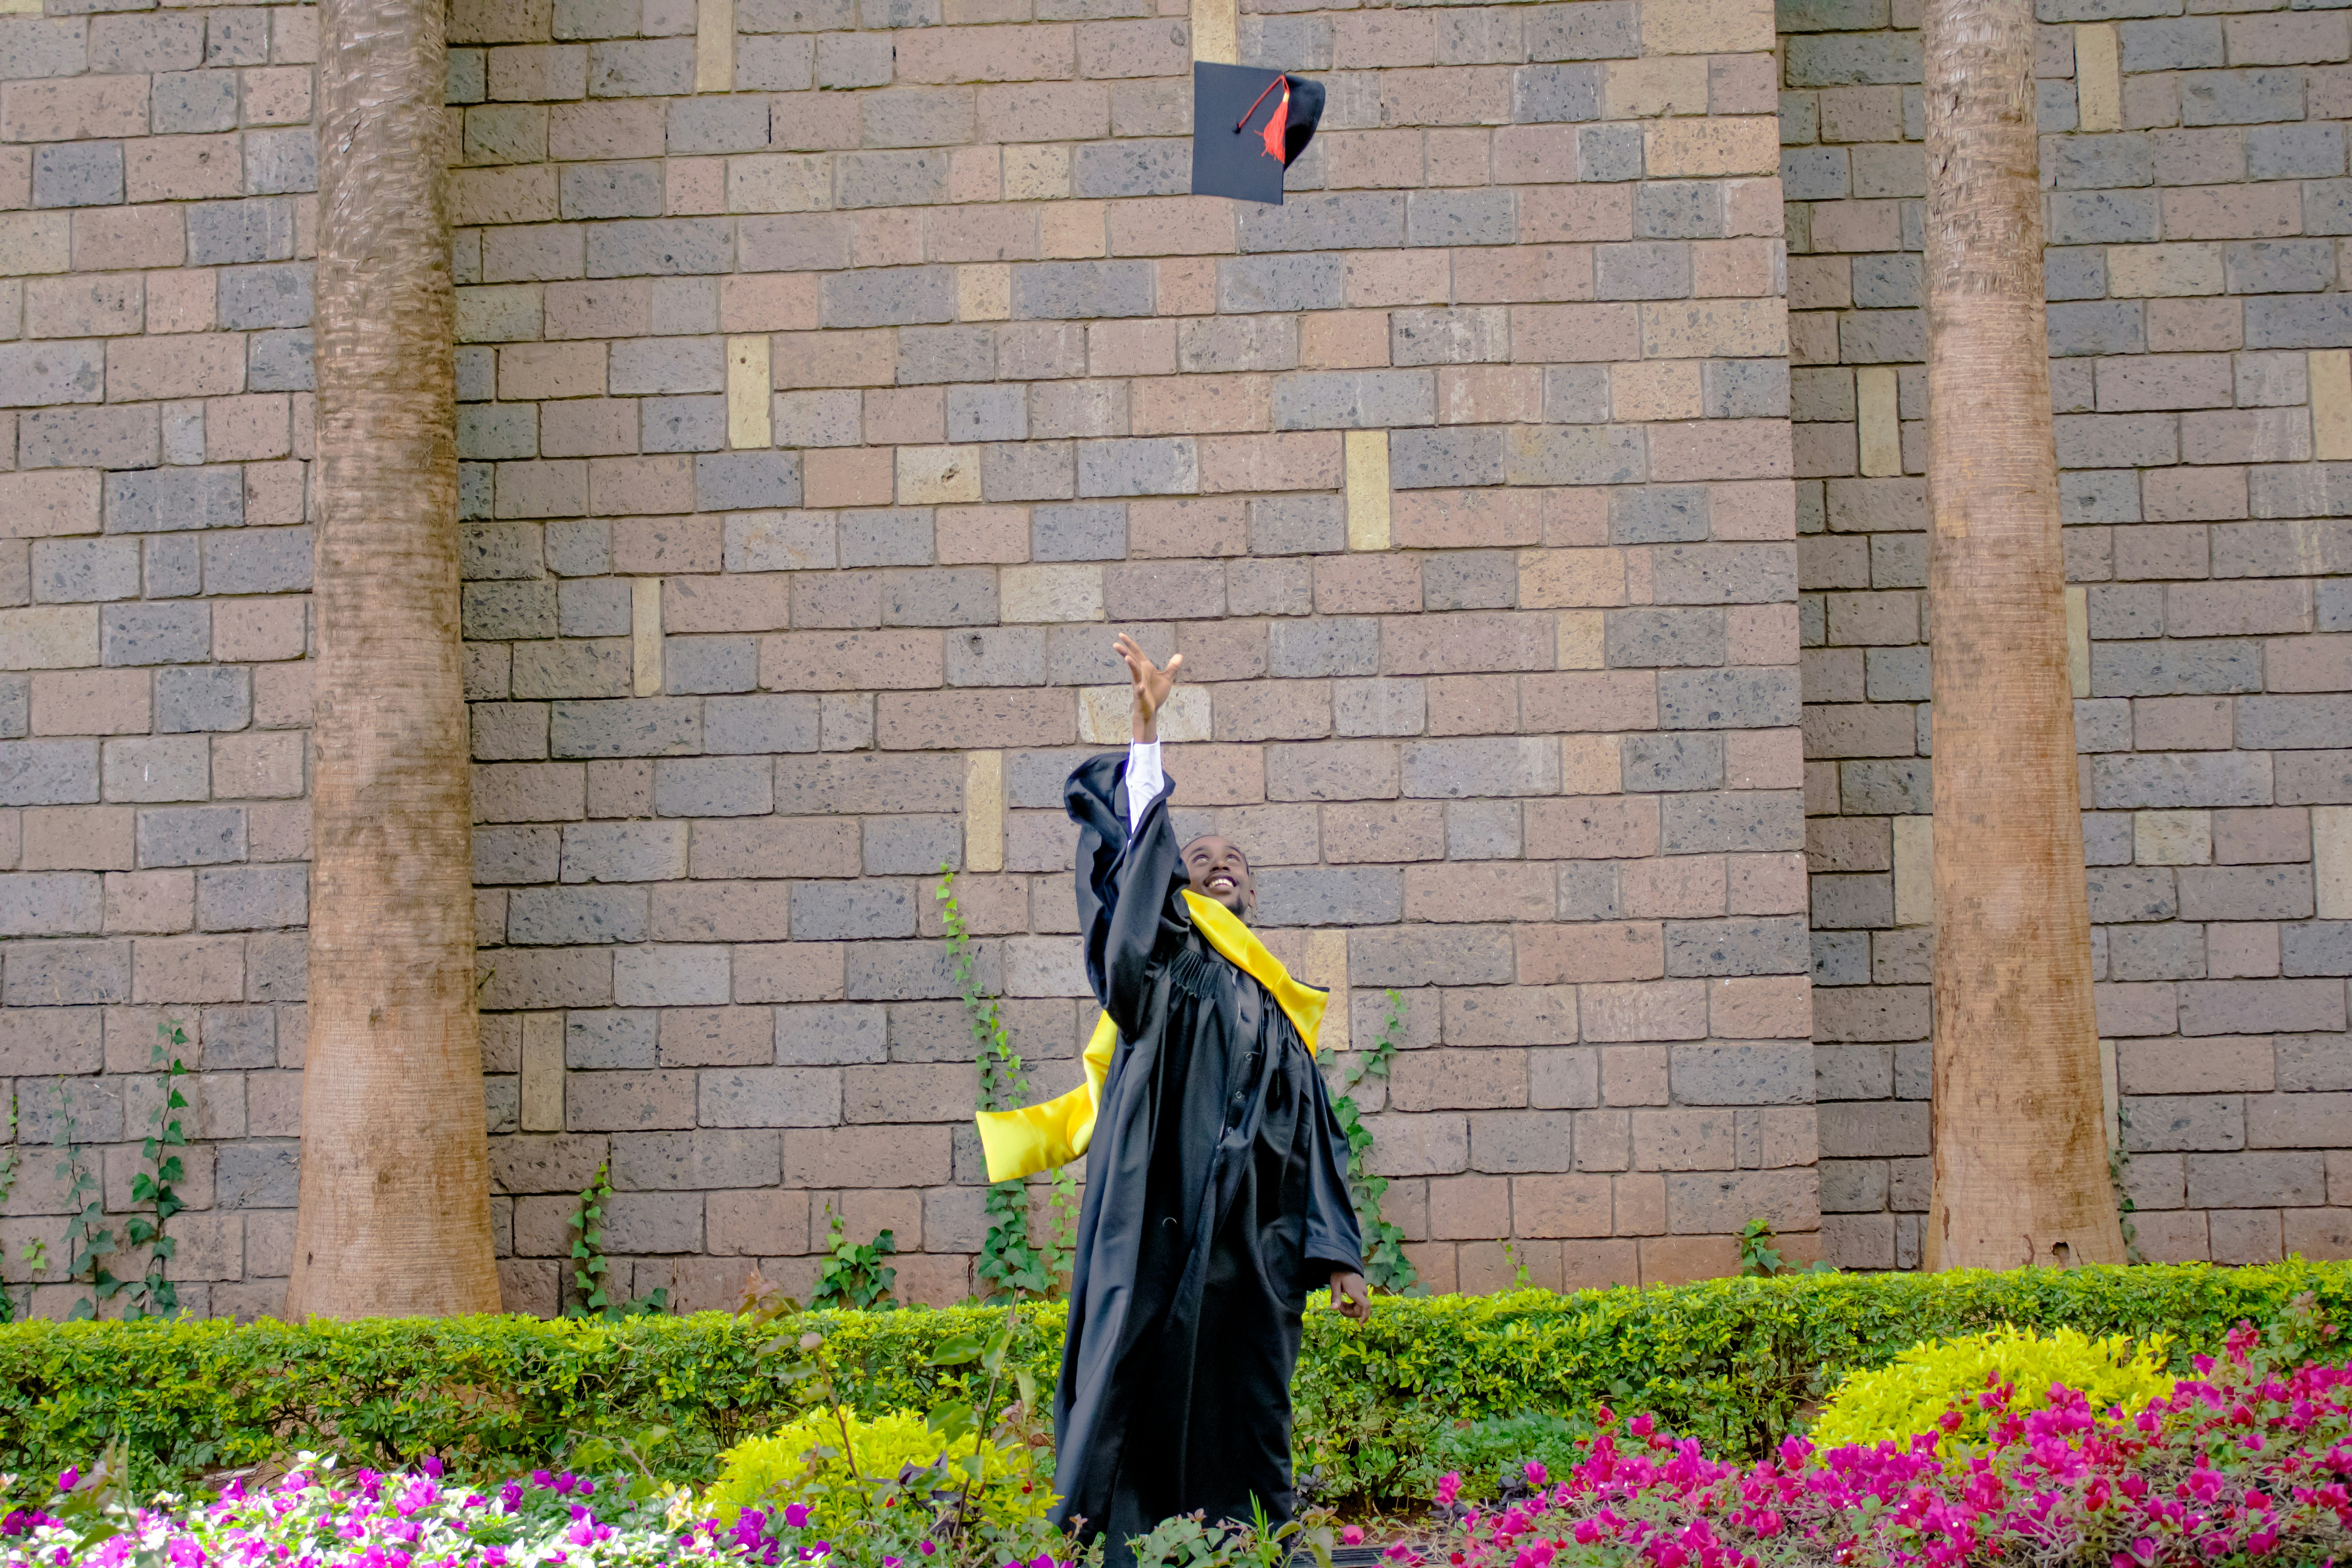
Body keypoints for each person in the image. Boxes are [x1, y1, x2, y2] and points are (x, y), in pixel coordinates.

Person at [972, 634, 1369, 1568]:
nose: (1219, 862)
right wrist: (1146, 738)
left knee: (1252, 1389)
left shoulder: (1280, 1005)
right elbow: (1131, 904)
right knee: (1139, 1372)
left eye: (1235, 859)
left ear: (1254, 890)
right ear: (1179, 881)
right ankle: (1122, 1547)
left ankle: (1253, 1541)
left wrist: (1339, 1254)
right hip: (1163, 1208)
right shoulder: (1167, 957)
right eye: (1199, 854)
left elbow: (1316, 1135)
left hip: (1254, 1233)